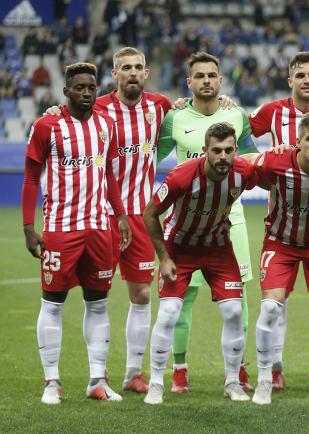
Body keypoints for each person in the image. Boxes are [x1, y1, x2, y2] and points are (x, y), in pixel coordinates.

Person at [45, 47, 172, 394]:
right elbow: (66, 113)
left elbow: (192, 112)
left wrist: (222, 104)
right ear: (114, 75)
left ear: (146, 73)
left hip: (142, 214)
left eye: (138, 68)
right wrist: (55, 109)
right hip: (101, 215)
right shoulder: (96, 106)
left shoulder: (159, 106)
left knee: (142, 294)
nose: (132, 73)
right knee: (90, 295)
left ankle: (132, 373)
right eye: (125, 68)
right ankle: (82, 374)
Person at [22, 62, 131, 404]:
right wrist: (28, 227)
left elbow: (110, 176)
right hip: (59, 230)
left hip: (100, 228)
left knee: (98, 304)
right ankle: (51, 382)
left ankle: (97, 380)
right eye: (80, 87)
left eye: (92, 87)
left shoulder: (106, 125)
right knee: (53, 304)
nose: (87, 93)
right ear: (66, 91)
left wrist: (122, 215)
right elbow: (29, 178)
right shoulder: (46, 126)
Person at [157, 51, 258, 394]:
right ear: (190, 82)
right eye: (199, 76)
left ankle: (239, 369)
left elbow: (249, 155)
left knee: (238, 297)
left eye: (211, 75)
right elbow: (149, 155)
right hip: (185, 223)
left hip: (232, 219)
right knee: (182, 298)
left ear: (220, 79)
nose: (206, 81)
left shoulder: (237, 114)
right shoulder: (174, 118)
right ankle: (179, 369)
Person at [249, 51, 309, 390]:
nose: (307, 80)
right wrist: (267, 156)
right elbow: (243, 136)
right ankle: (274, 367)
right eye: (300, 74)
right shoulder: (271, 112)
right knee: (279, 299)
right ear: (290, 79)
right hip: (283, 215)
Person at [143, 122, 258, 405]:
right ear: (204, 151)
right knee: (169, 311)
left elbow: (277, 173)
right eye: (216, 150)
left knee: (233, 311)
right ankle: (156, 383)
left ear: (235, 151)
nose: (223, 157)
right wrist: (164, 258)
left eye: (228, 150)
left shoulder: (243, 172)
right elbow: (149, 213)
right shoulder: (181, 177)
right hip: (179, 247)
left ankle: (232, 381)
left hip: (218, 247)